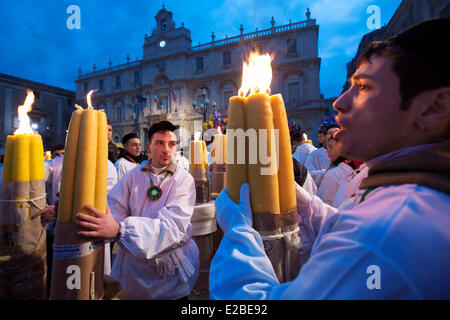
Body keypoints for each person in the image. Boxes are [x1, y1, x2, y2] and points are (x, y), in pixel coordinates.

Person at [209, 18, 450, 299]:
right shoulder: (411, 194)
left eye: (364, 87)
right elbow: (351, 227)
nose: (338, 102)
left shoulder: (385, 234)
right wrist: (309, 208)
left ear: (433, 108)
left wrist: (238, 233)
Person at [75, 120, 199, 299]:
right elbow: (114, 209)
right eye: (159, 143)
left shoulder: (183, 180)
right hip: (134, 270)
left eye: (171, 144)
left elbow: (172, 226)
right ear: (148, 147)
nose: (166, 149)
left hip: (168, 271)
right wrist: (76, 206)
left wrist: (121, 230)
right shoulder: (132, 176)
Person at [316, 133, 355, 205]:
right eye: (327, 147)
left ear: (343, 147)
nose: (327, 151)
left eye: (331, 147)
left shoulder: (333, 174)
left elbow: (323, 203)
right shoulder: (356, 168)